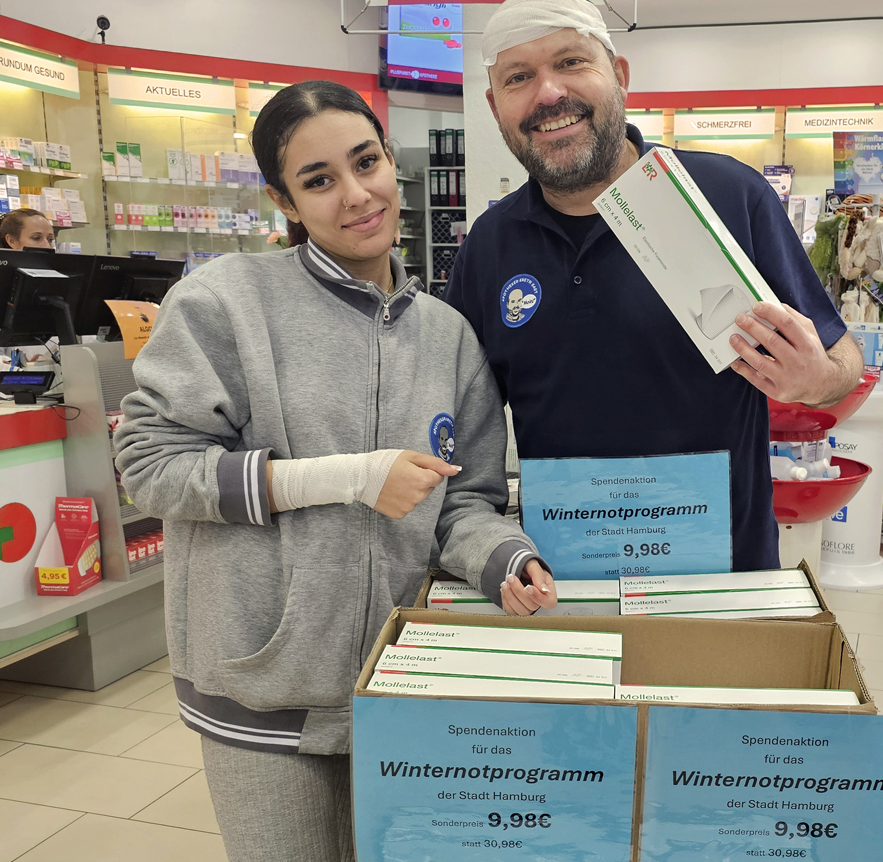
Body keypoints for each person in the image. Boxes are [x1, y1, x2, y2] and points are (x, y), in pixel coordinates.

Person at [114, 80, 556, 862]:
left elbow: (467, 499)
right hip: (263, 689)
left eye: (366, 162)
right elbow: (150, 465)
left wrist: (505, 560)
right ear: (287, 201)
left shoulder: (448, 336)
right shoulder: (227, 303)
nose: (356, 195)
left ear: (390, 161)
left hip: (399, 687)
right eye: (319, 180)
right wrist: (346, 477)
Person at [445, 0, 864, 573]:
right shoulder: (489, 247)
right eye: (519, 77)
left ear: (618, 75)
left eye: (571, 62)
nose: (549, 93)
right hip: (564, 581)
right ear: (495, 107)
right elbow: (464, 423)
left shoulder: (729, 197)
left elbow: (843, 363)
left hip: (723, 579)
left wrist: (816, 378)